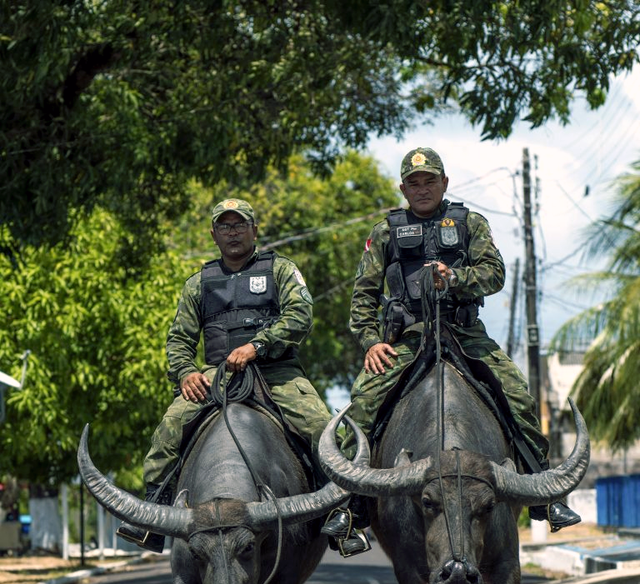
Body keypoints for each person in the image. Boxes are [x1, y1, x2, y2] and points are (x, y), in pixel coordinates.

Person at [322, 148, 580, 538]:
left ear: (445, 183)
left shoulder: (469, 222)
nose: (422, 189)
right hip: (407, 337)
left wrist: (454, 278)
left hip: (464, 332)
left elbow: (494, 274)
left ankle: (544, 494)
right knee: (361, 407)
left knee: (518, 397)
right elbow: (362, 297)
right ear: (403, 188)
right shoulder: (385, 231)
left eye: (430, 181)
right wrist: (372, 342)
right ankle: (350, 505)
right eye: (414, 183)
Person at [118, 197, 370, 556]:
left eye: (239, 225)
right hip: (216, 375)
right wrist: (186, 372)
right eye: (224, 226)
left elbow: (300, 316)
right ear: (213, 233)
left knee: (320, 427)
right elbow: (178, 339)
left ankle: (345, 515)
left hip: (276, 371)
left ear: (254, 230)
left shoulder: (280, 270)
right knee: (168, 429)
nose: (232, 232)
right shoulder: (198, 283)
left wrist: (257, 346)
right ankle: (152, 516)